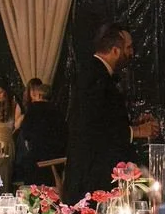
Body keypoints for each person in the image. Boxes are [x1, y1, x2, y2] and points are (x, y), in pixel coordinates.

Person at [65, 23, 156, 202]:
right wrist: (136, 132)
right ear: (115, 50)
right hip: (94, 171)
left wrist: (133, 125)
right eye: (128, 48)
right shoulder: (94, 75)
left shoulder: (96, 73)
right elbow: (91, 124)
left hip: (98, 167)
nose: (132, 53)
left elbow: (104, 116)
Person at [13, 78, 68, 187]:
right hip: (56, 160)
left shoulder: (32, 110)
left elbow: (26, 133)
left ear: (38, 96)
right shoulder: (58, 111)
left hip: (36, 160)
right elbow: (64, 134)